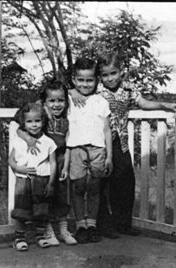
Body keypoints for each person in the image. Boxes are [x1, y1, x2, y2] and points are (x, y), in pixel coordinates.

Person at [70, 52, 176, 238]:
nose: (110, 78)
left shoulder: (128, 89)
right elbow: (78, 88)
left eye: (113, 73)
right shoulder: (96, 88)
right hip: (99, 141)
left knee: (124, 181)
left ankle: (123, 223)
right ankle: (104, 225)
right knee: (100, 185)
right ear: (100, 76)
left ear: (121, 72)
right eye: (105, 75)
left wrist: (163, 104)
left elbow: (143, 103)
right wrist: (72, 91)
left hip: (121, 142)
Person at [15, 80, 78, 246]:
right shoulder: (41, 119)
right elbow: (19, 128)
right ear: (44, 102)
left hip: (60, 161)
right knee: (45, 198)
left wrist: (65, 166)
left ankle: (64, 231)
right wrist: (29, 138)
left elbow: (69, 145)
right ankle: (48, 232)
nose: (56, 104)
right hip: (44, 166)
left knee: (62, 197)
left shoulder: (67, 120)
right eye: (52, 100)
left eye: (61, 100)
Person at [66, 57, 113, 244]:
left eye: (89, 80)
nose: (85, 84)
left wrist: (109, 155)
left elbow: (107, 129)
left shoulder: (101, 101)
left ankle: (92, 225)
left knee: (94, 188)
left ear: (96, 81)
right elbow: (46, 96)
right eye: (80, 80)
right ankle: (80, 226)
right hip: (76, 148)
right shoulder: (69, 99)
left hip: (98, 150)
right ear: (74, 79)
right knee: (78, 187)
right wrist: (70, 90)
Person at [8, 102, 57, 251]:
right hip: (24, 181)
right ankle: (19, 238)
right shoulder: (19, 141)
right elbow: (11, 160)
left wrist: (51, 183)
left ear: (43, 122)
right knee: (22, 210)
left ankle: (40, 236)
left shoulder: (48, 142)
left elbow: (53, 163)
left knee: (41, 209)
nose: (34, 125)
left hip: (42, 179)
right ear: (24, 123)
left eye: (37, 121)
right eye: (29, 121)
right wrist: (18, 168)